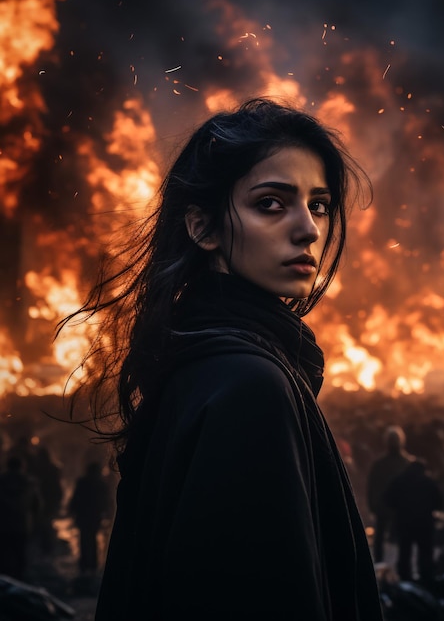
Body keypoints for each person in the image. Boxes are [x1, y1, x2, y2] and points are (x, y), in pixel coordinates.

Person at [60, 98, 383, 620]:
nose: (309, 229)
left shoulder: (197, 363)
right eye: (272, 204)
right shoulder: (248, 385)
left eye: (318, 205)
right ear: (202, 227)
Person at [384, 459, 442, 585]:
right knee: (425, 551)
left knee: (405, 551)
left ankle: (405, 577)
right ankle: (426, 578)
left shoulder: (398, 481)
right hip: (424, 523)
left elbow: (388, 500)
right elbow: (439, 502)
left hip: (404, 522)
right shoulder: (428, 482)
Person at [367, 425, 413, 563]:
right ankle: (402, 567)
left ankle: (380, 562)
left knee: (381, 536)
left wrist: (372, 505)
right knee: (403, 538)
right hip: (399, 508)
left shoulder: (379, 464)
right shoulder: (407, 463)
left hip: (384, 507)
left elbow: (371, 487)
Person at [0, 455, 42, 579]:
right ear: (22, 466)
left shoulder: (1, 480)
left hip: (2, 525)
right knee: (20, 555)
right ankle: (19, 582)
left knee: (3, 556)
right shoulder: (29, 482)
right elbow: (37, 506)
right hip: (22, 525)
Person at [68, 461, 111, 575]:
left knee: (84, 538)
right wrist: (106, 513)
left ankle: (85, 563)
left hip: (84, 515)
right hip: (94, 516)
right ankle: (92, 564)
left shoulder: (82, 482)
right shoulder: (101, 484)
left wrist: (71, 511)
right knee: (92, 538)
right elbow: (105, 501)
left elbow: (75, 498)